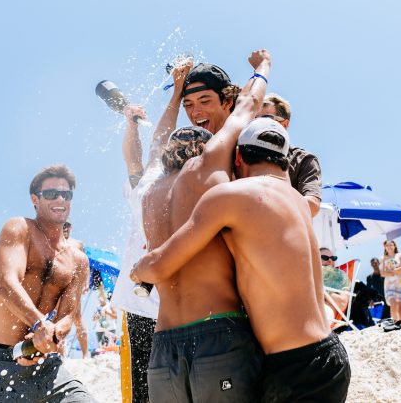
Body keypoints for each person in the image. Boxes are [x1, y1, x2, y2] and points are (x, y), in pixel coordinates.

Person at [132, 117, 350, 402]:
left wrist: (139, 271)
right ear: (284, 163)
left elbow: (161, 264)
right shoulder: (296, 201)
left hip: (291, 364)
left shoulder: (229, 197)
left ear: (237, 156)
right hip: (328, 355)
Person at [131, 51, 271, 402]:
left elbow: (159, 136)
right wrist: (263, 67)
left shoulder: (151, 186)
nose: (195, 114)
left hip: (163, 349)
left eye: (203, 102)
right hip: (216, 334)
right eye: (189, 106)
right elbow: (249, 105)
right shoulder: (211, 166)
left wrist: (176, 92)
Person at [0, 164, 95, 402]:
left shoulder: (79, 260)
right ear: (35, 199)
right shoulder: (19, 228)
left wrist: (50, 337)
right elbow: (6, 284)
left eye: (66, 195)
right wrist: (39, 325)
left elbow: (68, 315)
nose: (59, 199)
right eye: (50, 194)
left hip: (45, 362)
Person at [110, 61, 192, 403]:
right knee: (140, 396)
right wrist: (132, 124)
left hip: (185, 309)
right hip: (141, 308)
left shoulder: (199, 190)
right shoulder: (147, 185)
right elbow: (150, 145)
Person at [256, 93, 322, 216]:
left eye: (266, 119)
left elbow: (312, 205)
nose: (257, 124)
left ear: (284, 124)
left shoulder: (304, 160)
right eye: (254, 119)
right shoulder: (241, 152)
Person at [62, 220, 89, 358]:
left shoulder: (77, 243)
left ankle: (85, 354)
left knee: (77, 317)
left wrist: (86, 282)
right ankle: (60, 354)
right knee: (57, 319)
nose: (64, 227)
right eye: (62, 225)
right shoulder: (53, 241)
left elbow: (85, 263)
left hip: (74, 283)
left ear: (71, 227)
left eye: (66, 225)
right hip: (59, 282)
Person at [379, 240, 401, 324]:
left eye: (391, 245)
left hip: (400, 283)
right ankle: (395, 323)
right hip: (389, 285)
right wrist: (395, 271)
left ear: (395, 246)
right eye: (387, 245)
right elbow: (383, 273)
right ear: (385, 247)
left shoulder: (399, 255)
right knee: (393, 304)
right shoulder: (383, 258)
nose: (389, 247)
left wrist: (391, 271)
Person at [92, 283, 117, 349]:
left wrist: (107, 313)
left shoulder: (110, 305)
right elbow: (93, 319)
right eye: (99, 299)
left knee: (111, 346)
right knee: (101, 347)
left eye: (102, 298)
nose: (100, 300)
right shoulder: (97, 307)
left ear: (105, 297)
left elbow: (115, 316)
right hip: (99, 329)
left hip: (110, 328)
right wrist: (96, 317)